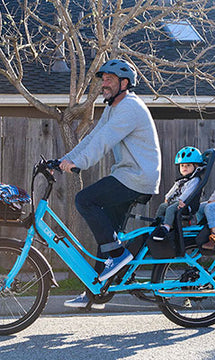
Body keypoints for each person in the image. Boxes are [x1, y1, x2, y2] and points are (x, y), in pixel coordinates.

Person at [59, 59, 161, 308]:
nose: (103, 84)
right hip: (129, 175)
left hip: (136, 177)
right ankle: (95, 293)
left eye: (109, 80)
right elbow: (93, 136)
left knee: (85, 199)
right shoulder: (114, 108)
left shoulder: (129, 108)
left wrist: (79, 163)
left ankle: (117, 255)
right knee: (108, 236)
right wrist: (65, 159)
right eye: (103, 79)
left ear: (124, 83)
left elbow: (103, 141)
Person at [151, 146, 204, 241]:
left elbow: (189, 192)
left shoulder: (195, 180)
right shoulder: (181, 181)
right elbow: (172, 190)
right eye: (182, 165)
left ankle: (166, 228)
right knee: (163, 206)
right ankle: (156, 223)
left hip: (186, 205)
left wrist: (181, 200)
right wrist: (167, 197)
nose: (184, 168)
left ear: (196, 166)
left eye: (188, 165)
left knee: (171, 209)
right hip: (176, 203)